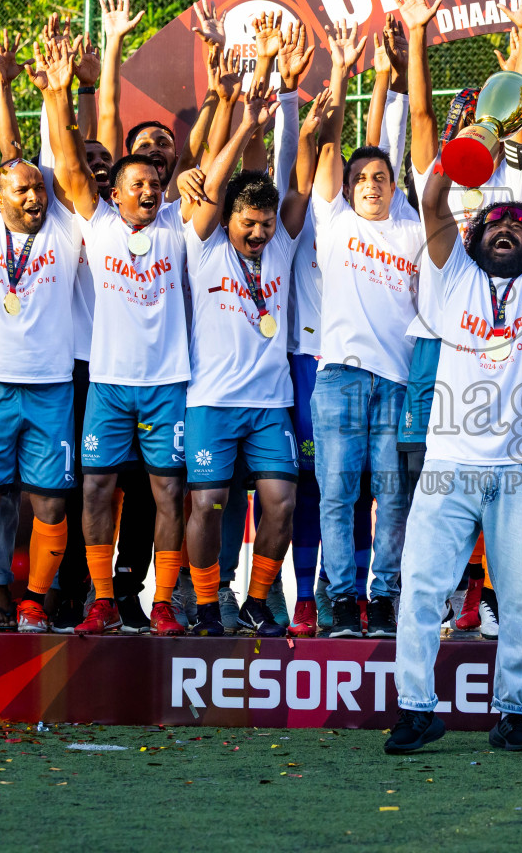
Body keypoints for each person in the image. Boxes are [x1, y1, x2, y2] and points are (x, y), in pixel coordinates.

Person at [387, 1, 522, 754]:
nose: (508, 225)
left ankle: (514, 711)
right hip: (450, 465)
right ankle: (415, 706)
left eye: (519, 225)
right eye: (495, 223)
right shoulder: (449, 275)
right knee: (424, 593)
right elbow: (435, 199)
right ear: (475, 238)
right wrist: (466, 140)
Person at [52, 49, 193, 639]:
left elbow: (207, 160)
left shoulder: (182, 225)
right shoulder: (99, 222)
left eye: (156, 184)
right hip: (108, 384)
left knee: (166, 493)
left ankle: (161, 602)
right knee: (97, 488)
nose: (149, 191)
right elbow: (70, 159)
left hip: (166, 385)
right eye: (137, 183)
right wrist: (62, 92)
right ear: (115, 191)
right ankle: (102, 600)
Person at [0, 34, 87, 633]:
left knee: (49, 500)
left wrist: (57, 94)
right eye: (21, 189)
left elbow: (65, 152)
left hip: (52, 386)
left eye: (38, 187)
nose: (33, 195)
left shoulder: (63, 225)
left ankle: (34, 600)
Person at [182, 75, 315, 635]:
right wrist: (244, 128)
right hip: (211, 400)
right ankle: (209, 603)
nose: (259, 232)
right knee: (209, 504)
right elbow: (211, 193)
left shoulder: (282, 243)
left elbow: (302, 189)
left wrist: (306, 132)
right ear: (229, 219)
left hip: (269, 402)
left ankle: (260, 600)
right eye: (249, 222)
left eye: (264, 222)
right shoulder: (204, 244)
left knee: (280, 503)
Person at [309, 19, 419, 639]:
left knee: (393, 498)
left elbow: (391, 142)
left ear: (394, 186)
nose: (371, 183)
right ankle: (343, 599)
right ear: (347, 189)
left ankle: (383, 597)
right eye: (361, 178)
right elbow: (331, 147)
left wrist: (391, 75)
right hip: (341, 378)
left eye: (381, 177)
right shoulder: (335, 221)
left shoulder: (408, 227)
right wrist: (346, 69)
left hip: (396, 384)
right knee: (336, 494)